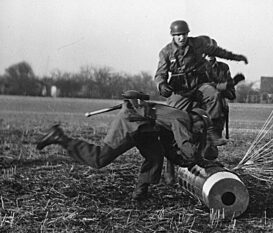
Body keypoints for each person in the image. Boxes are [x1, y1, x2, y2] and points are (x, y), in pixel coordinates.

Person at [35, 90, 211, 201]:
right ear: (195, 118)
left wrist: (189, 162)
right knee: (100, 159)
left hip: (145, 129)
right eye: (200, 127)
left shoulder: (176, 118)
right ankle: (61, 138)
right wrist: (200, 161)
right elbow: (186, 145)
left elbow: (170, 151)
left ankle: (141, 195)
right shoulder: (181, 119)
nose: (198, 131)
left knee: (155, 155)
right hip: (130, 122)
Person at [154, 20, 248, 145]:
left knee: (213, 94)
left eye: (184, 34)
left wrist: (236, 57)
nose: (182, 38)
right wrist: (162, 84)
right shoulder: (166, 52)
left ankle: (211, 133)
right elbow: (160, 73)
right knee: (174, 116)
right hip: (180, 89)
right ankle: (173, 144)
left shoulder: (197, 44)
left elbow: (218, 52)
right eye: (178, 35)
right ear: (173, 36)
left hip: (198, 85)